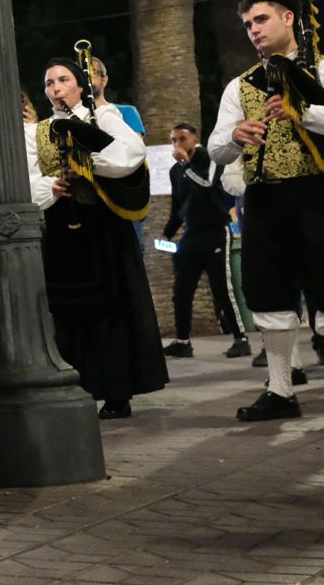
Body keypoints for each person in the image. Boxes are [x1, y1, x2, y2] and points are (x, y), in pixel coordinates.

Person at [207, 0, 324, 421]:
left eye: (261, 19)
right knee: (269, 296)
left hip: (321, 194)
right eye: (247, 25)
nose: (253, 30)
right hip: (266, 200)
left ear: (289, 19)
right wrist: (236, 135)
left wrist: (304, 111)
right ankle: (280, 392)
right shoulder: (240, 86)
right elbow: (216, 148)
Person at [25, 57, 166, 419]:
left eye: (63, 80)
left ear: (80, 85)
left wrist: (87, 163)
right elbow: (27, 178)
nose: (55, 88)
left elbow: (129, 156)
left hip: (103, 228)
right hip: (60, 229)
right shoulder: (39, 131)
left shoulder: (102, 117)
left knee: (110, 307)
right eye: (48, 82)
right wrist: (50, 187)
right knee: (69, 309)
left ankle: (116, 391)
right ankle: (77, 384)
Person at [162, 122, 247, 359]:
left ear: (193, 139)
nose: (177, 144)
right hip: (192, 234)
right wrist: (167, 233)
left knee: (222, 287)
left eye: (181, 138)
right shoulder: (175, 170)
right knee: (182, 288)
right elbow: (178, 206)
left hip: (215, 231)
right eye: (173, 140)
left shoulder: (208, 158)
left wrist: (186, 165)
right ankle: (182, 340)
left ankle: (240, 338)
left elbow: (206, 185)